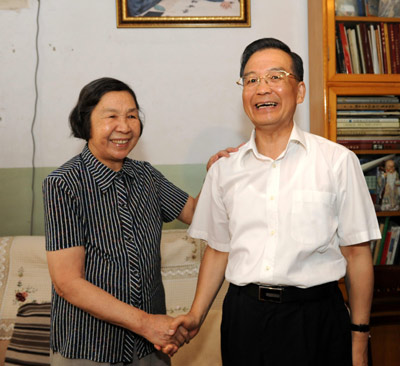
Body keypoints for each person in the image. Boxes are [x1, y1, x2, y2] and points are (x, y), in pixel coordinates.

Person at [167, 38, 381, 366]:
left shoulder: (337, 161)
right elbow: (218, 251)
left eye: (275, 77)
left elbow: (357, 254)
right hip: (245, 318)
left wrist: (359, 337)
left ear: (300, 91)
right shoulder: (224, 169)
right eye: (251, 80)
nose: (262, 88)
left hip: (317, 318)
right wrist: (195, 315)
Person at [42, 77, 233, 366]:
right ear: (86, 123)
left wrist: (215, 174)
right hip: (88, 349)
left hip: (149, 350)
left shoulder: (147, 176)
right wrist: (146, 324)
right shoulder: (63, 184)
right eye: (111, 116)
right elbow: (68, 283)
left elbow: (198, 215)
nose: (125, 126)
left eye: (132, 115)